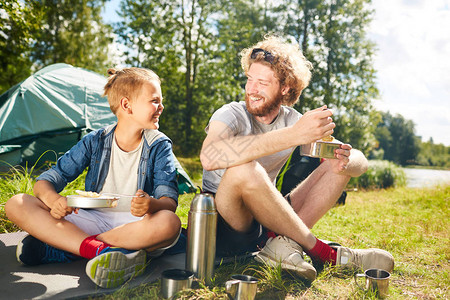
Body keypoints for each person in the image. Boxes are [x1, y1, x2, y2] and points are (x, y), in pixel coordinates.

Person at [200, 35, 394, 281]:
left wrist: (346, 159)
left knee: (335, 163)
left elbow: (359, 160)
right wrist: (292, 136)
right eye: (250, 79)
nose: (251, 89)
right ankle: (323, 252)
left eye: (262, 82)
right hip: (225, 219)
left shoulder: (292, 119)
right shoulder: (231, 114)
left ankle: (281, 245)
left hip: (265, 217)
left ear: (285, 88)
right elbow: (209, 157)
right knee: (244, 168)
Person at [5, 67, 182, 289]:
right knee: (16, 203)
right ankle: (101, 251)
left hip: (135, 227)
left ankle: (66, 246)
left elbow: (170, 203)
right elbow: (45, 182)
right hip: (93, 219)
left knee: (169, 223)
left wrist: (151, 204)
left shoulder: (159, 144)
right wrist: (54, 201)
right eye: (154, 101)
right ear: (127, 105)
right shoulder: (95, 141)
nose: (161, 107)